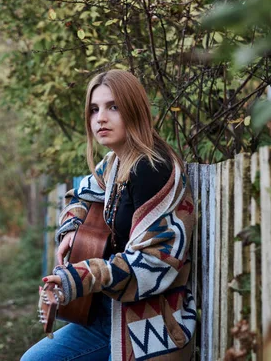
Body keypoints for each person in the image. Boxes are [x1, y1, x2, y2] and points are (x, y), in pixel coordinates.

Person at [22, 70, 196, 361]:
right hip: (107, 313)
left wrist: (76, 278)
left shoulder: (153, 169)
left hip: (147, 326)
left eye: (113, 106)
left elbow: (153, 263)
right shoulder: (116, 162)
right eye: (94, 109)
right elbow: (79, 195)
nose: (100, 118)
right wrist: (70, 231)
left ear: (135, 109)